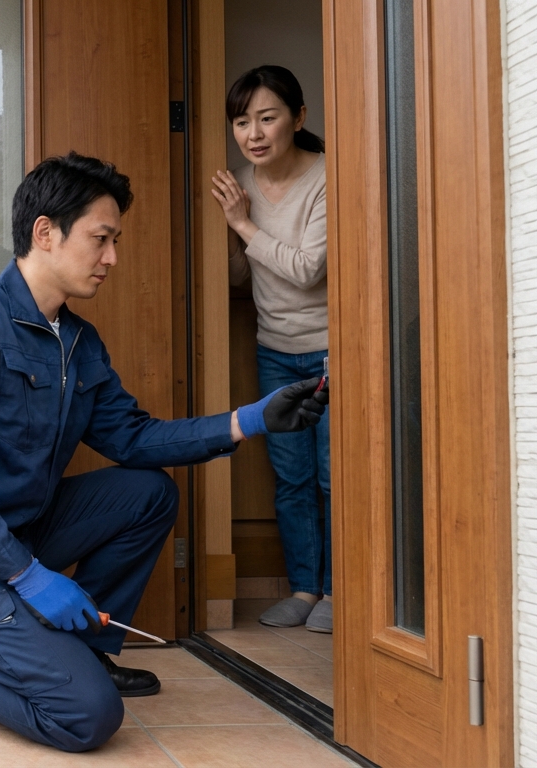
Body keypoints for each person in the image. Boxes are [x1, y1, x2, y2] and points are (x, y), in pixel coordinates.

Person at [0, 152, 329, 752]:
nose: (112, 258)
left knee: (148, 492)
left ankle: (84, 651)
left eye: (115, 241)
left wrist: (252, 418)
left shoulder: (78, 341)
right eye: (100, 239)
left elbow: (133, 438)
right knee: (86, 717)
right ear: (45, 233)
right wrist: (27, 577)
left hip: (19, 532)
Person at [210, 65, 331, 633]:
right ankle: (305, 589)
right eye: (242, 121)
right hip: (274, 347)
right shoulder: (241, 183)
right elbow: (242, 276)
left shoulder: (327, 178)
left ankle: (342, 592)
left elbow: (308, 270)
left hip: (332, 347)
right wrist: (232, 233)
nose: (253, 133)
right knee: (292, 477)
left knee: (336, 476)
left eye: (267, 117)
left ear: (298, 118)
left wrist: (243, 224)